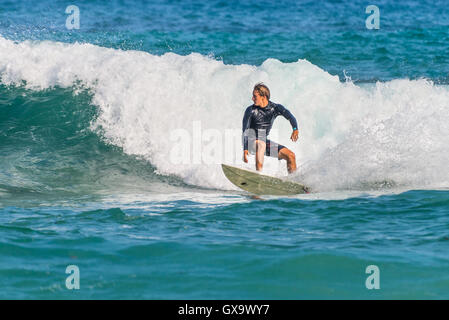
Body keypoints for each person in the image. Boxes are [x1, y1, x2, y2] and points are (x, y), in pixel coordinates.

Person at [242, 83, 299, 173]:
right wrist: (245, 149)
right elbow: (245, 131)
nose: (252, 98)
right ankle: (258, 175)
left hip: (264, 142)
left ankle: (294, 182)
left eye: (255, 96)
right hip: (251, 142)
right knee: (261, 144)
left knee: (290, 155)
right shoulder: (250, 110)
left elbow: (290, 117)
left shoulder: (275, 108)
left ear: (263, 97)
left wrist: (295, 129)